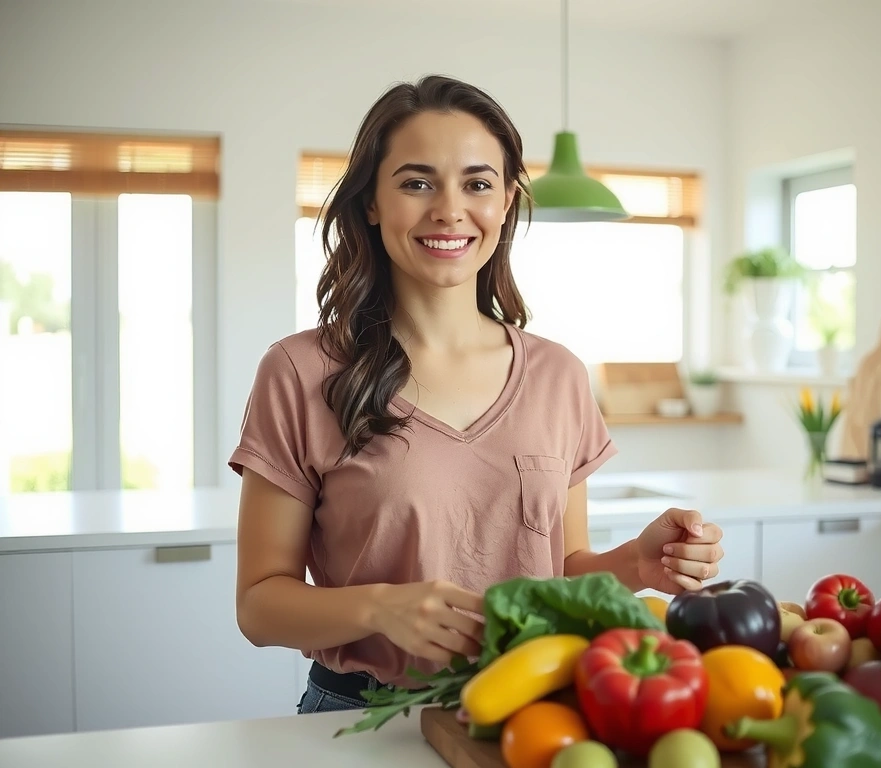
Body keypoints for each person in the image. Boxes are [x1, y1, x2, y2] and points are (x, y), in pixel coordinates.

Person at [228, 74, 725, 715]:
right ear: (372, 203)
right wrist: (380, 607)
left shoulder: (559, 376)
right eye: (416, 182)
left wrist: (635, 564)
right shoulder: (300, 371)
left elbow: (559, 573)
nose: (449, 210)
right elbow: (259, 606)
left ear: (507, 201)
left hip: (537, 714)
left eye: (477, 183)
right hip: (364, 721)